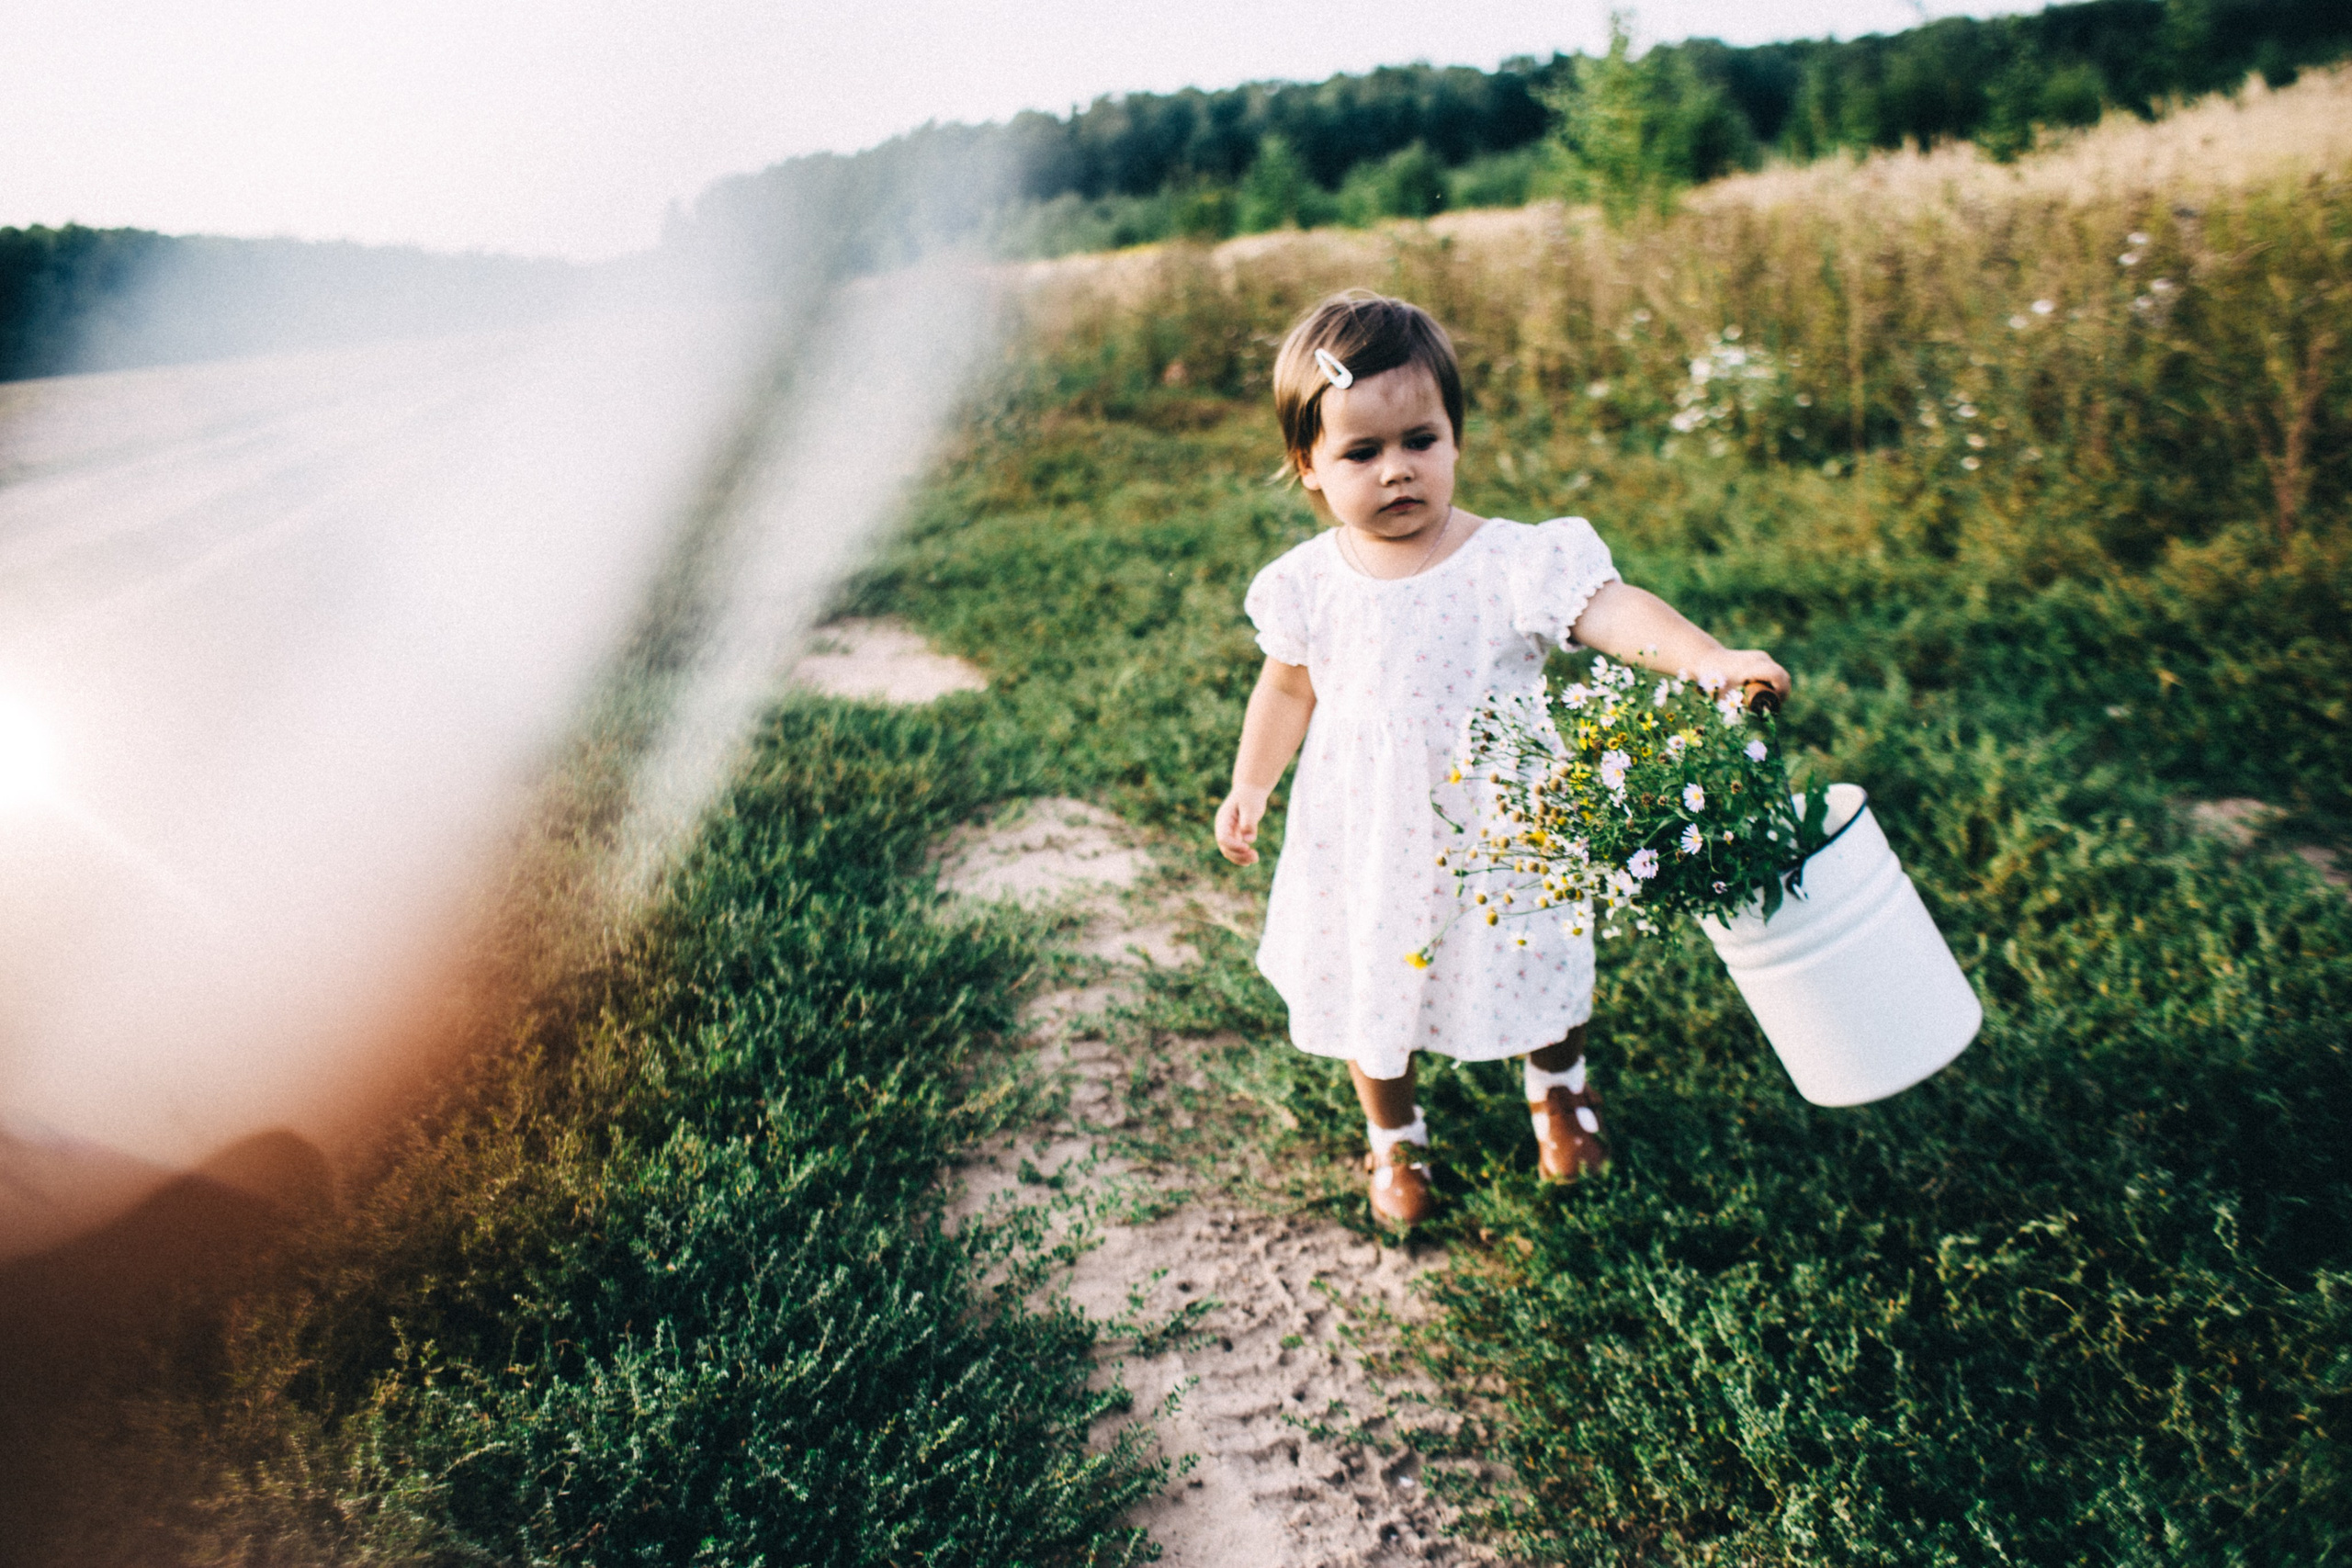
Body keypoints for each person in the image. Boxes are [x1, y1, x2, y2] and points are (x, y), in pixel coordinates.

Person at [1214, 292, 1791, 1227]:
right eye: (1362, 452)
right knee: (1372, 973)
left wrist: (1707, 661)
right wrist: (1250, 786)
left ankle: (1558, 1085)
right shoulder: (1305, 584)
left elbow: (1610, 610)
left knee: (1533, 961)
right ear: (1308, 466)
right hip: (1365, 831)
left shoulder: (1513, 560)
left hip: (1508, 826)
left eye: (1420, 440)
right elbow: (1287, 689)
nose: (1397, 471)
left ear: (1455, 437)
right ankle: (1394, 1135)